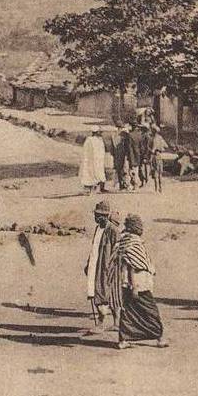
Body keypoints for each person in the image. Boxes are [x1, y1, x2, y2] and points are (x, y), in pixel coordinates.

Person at [112, 214, 168, 349]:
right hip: (137, 285)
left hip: (127, 284)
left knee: (129, 312)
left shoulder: (125, 242)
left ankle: (123, 340)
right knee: (151, 311)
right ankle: (159, 337)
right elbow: (133, 266)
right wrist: (135, 286)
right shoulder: (133, 243)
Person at [84, 200, 121, 333]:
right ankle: (111, 322)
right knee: (101, 292)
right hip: (96, 265)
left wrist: (112, 267)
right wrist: (88, 263)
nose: (95, 218)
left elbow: (117, 250)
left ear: (104, 216)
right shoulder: (98, 228)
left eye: (97, 215)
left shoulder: (113, 230)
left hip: (107, 268)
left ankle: (102, 324)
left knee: (106, 293)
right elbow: (94, 248)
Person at [79, 128, 107, 195]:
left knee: (99, 173)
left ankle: (100, 188)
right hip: (92, 160)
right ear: (96, 132)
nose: (100, 133)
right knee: (92, 174)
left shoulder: (99, 140)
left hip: (99, 160)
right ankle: (91, 189)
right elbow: (86, 151)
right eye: (99, 132)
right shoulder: (89, 140)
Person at [150, 125, 169, 193]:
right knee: (160, 172)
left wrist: (150, 155)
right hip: (160, 156)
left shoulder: (154, 139)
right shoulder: (160, 138)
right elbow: (166, 146)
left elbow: (153, 150)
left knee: (155, 171)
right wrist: (161, 148)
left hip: (155, 155)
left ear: (153, 131)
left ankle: (156, 188)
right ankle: (160, 188)